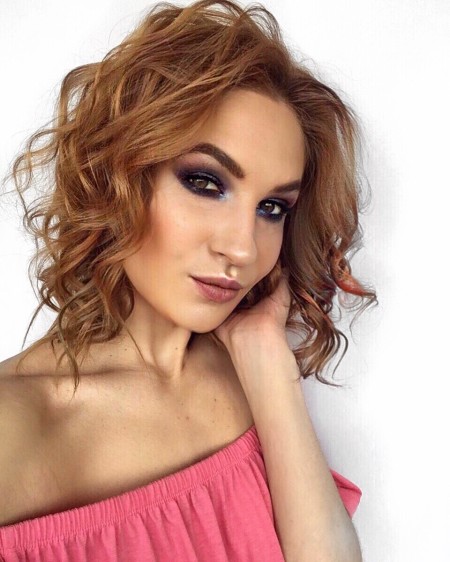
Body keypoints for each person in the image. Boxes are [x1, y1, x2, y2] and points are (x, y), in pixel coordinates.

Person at [0, 0, 376, 560]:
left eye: (272, 207)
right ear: (119, 175)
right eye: (205, 182)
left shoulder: (252, 376)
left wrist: (266, 361)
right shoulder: (14, 428)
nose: (243, 248)